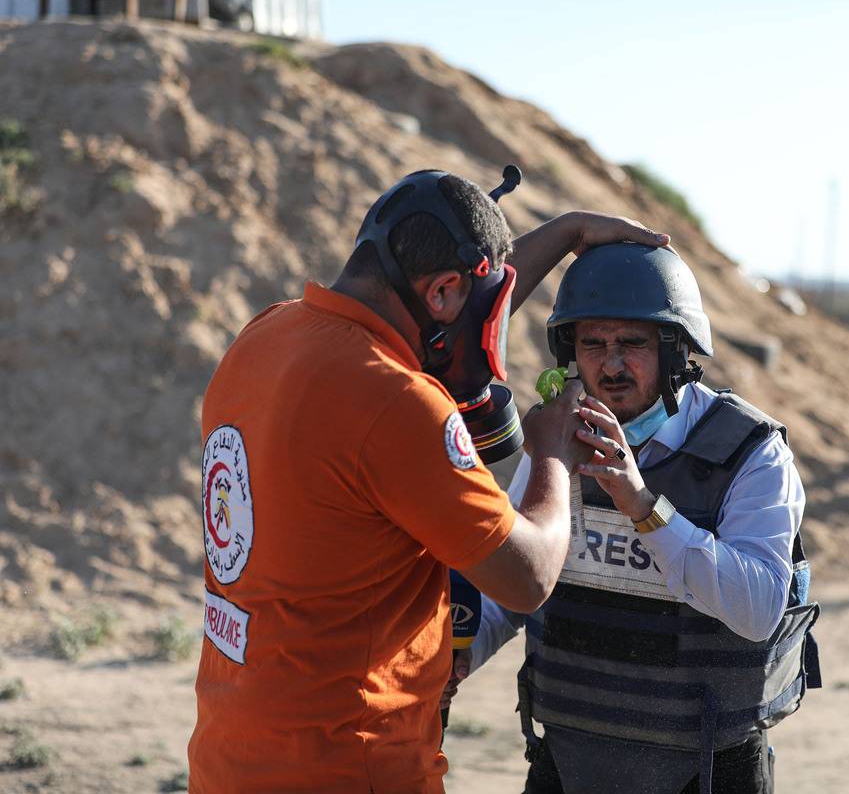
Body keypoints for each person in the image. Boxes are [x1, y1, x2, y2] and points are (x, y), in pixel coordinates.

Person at [187, 168, 670, 794]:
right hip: (352, 766)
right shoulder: (397, 403)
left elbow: (451, 313)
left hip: (229, 754)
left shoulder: (266, 337)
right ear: (440, 291)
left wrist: (566, 233)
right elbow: (526, 579)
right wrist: (552, 453)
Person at [448, 243, 820, 794]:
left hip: (708, 769)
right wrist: (453, 661)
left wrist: (642, 503)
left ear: (675, 350)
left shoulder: (751, 451)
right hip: (568, 760)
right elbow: (511, 589)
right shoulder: (559, 439)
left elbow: (760, 608)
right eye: (593, 344)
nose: (611, 365)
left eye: (632, 344)